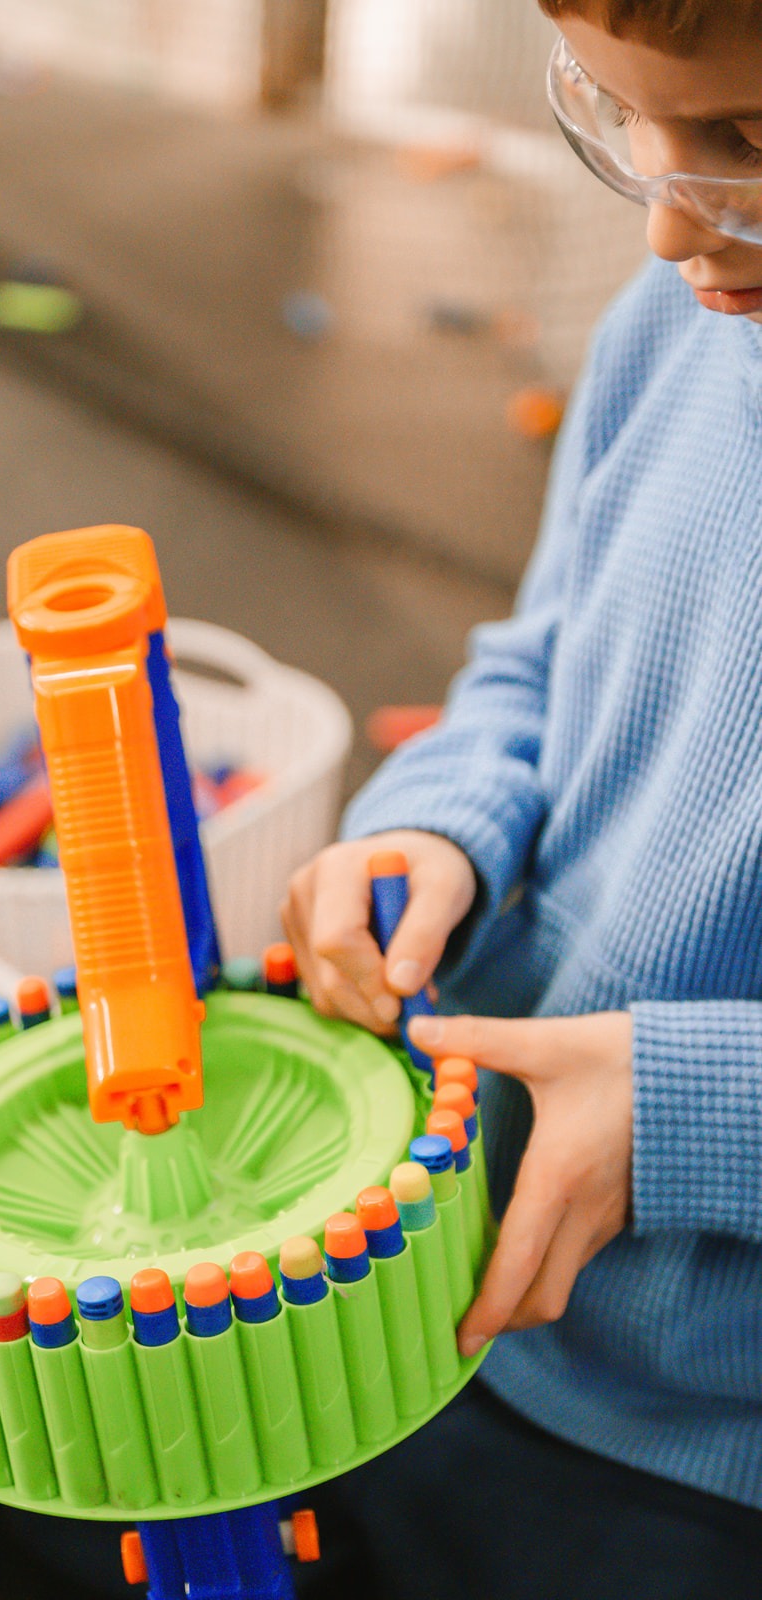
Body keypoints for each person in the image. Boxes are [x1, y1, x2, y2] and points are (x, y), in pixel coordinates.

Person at [283, 3, 762, 1594]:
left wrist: (692, 1111)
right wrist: (445, 823)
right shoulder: (676, 317)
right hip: (451, 1284)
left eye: (749, 144)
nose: (669, 218)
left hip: (703, 1443)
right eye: (624, 117)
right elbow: (537, 661)